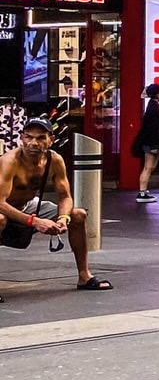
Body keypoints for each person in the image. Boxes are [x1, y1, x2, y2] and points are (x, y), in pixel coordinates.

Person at [1, 117, 109, 291]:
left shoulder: (54, 160)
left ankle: (84, 276)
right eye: (29, 137)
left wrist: (64, 218)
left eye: (41, 138)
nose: (34, 143)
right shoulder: (10, 161)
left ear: (51, 140)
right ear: (21, 138)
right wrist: (34, 221)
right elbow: (0, 202)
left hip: (27, 205)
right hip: (4, 207)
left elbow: (65, 196)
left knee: (77, 215)